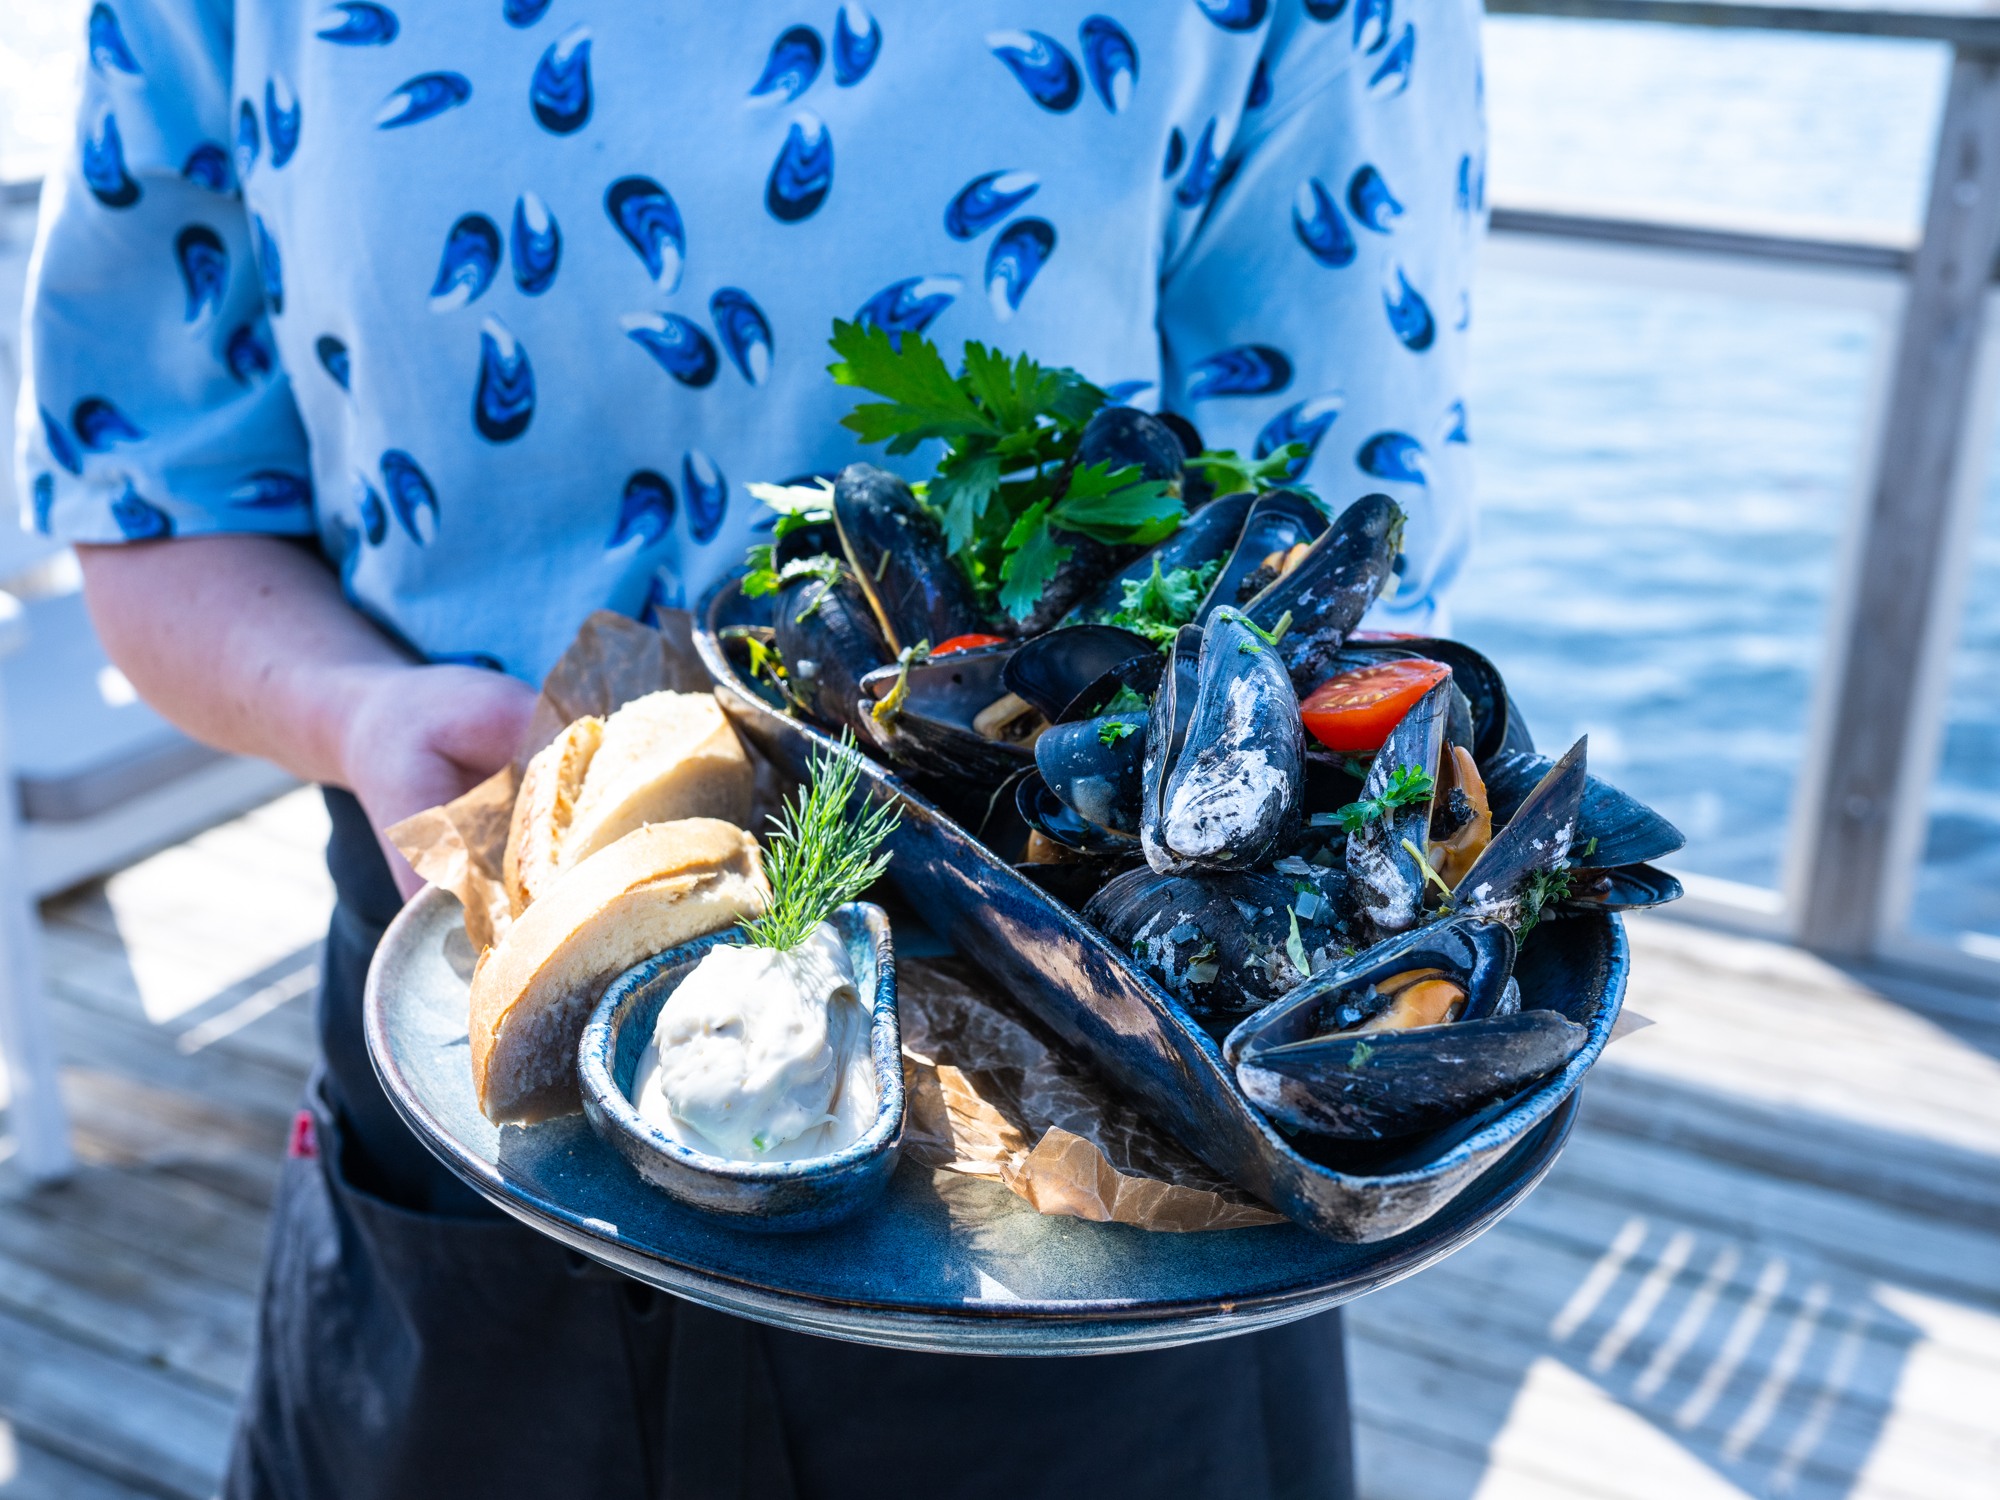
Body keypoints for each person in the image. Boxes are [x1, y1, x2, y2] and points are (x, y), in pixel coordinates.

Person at [19, 4, 1483, 1496]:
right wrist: (355, 711)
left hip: (1085, 1154)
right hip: (481, 1004)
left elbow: (1340, 559)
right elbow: (152, 484)